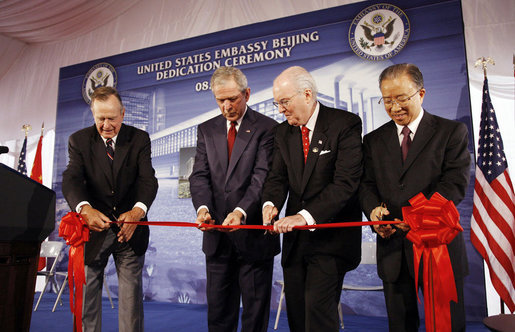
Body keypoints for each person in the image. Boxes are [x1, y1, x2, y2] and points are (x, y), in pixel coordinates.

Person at [359, 63, 470, 331]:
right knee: (400, 325)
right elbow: (366, 184)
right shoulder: (373, 140)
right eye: (387, 100)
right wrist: (374, 213)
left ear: (421, 94)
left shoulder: (451, 132)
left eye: (401, 98)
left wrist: (417, 219)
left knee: (447, 324)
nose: (394, 106)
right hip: (393, 249)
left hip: (437, 245)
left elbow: (454, 184)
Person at [262, 66, 363, 332]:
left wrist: (303, 217)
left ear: (307, 94)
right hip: (296, 244)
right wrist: (270, 204)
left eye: (285, 102)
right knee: (297, 314)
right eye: (277, 103)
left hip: (331, 241)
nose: (281, 110)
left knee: (318, 314)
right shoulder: (282, 133)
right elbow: (277, 178)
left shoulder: (345, 124)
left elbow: (345, 184)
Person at [189, 66, 280, 332]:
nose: (227, 106)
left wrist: (240, 211)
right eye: (220, 100)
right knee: (218, 315)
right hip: (217, 237)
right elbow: (199, 176)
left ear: (247, 94)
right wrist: (203, 209)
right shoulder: (206, 130)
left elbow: (261, 178)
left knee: (254, 318)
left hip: (253, 239)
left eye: (233, 99)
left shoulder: (268, 128)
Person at [62, 86, 158, 332]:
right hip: (93, 232)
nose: (106, 125)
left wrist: (137, 213)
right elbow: (71, 179)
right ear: (93, 115)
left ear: (123, 114)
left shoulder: (139, 139)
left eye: (111, 118)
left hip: (130, 232)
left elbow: (148, 180)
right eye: (100, 118)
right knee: (88, 299)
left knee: (131, 301)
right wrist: (85, 209)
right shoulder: (78, 141)